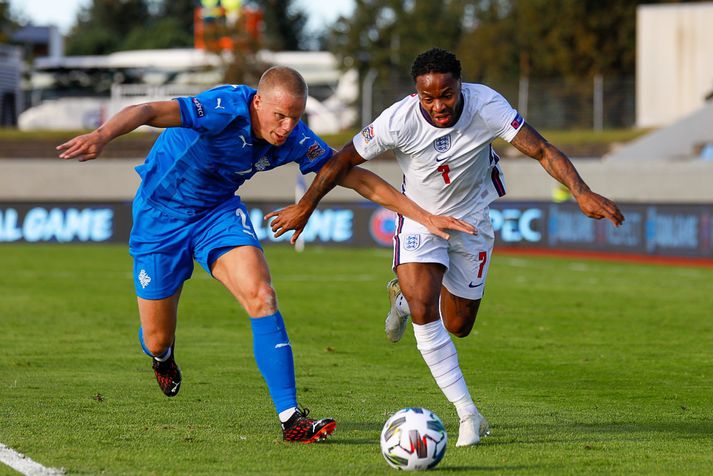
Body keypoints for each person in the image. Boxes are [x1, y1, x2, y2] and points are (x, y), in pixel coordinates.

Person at [57, 66, 475, 443]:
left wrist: (424, 215)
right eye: (280, 116)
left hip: (217, 215)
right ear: (258, 103)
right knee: (157, 337)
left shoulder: (294, 137)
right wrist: (101, 135)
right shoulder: (221, 108)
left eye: (296, 117)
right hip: (159, 218)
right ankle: (162, 356)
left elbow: (352, 177)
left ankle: (290, 417)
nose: (288, 127)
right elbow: (149, 110)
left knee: (262, 295)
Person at [267, 49, 625, 447]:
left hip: (472, 222)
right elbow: (341, 161)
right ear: (416, 92)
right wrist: (306, 206)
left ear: (460, 86)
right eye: (428, 97)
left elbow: (541, 149)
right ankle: (467, 412)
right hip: (420, 218)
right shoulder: (397, 120)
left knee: (458, 325)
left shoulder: (487, 104)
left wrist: (582, 192)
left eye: (446, 95)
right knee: (425, 308)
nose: (438, 105)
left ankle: (401, 301)